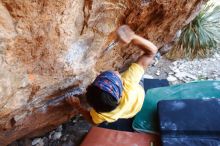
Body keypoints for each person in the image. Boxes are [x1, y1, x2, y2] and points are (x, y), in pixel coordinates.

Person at [66, 25, 158, 127]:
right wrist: (133, 37)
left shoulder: (101, 114)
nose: (117, 72)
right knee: (138, 68)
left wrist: (78, 107)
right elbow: (151, 52)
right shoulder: (128, 83)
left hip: (128, 112)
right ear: (121, 92)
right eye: (117, 77)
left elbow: (93, 122)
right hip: (138, 97)